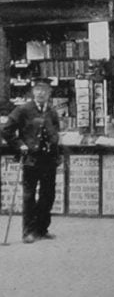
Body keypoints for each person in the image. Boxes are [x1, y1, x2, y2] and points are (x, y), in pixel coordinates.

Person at [1, 78, 62, 244]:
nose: (41, 93)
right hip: (31, 159)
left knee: (47, 195)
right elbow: (6, 130)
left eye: (44, 89)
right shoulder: (23, 110)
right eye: (38, 89)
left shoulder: (52, 111)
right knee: (29, 196)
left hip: (48, 160)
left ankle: (42, 229)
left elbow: (55, 133)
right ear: (33, 92)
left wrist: (57, 154)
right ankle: (28, 232)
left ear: (49, 92)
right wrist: (19, 145)